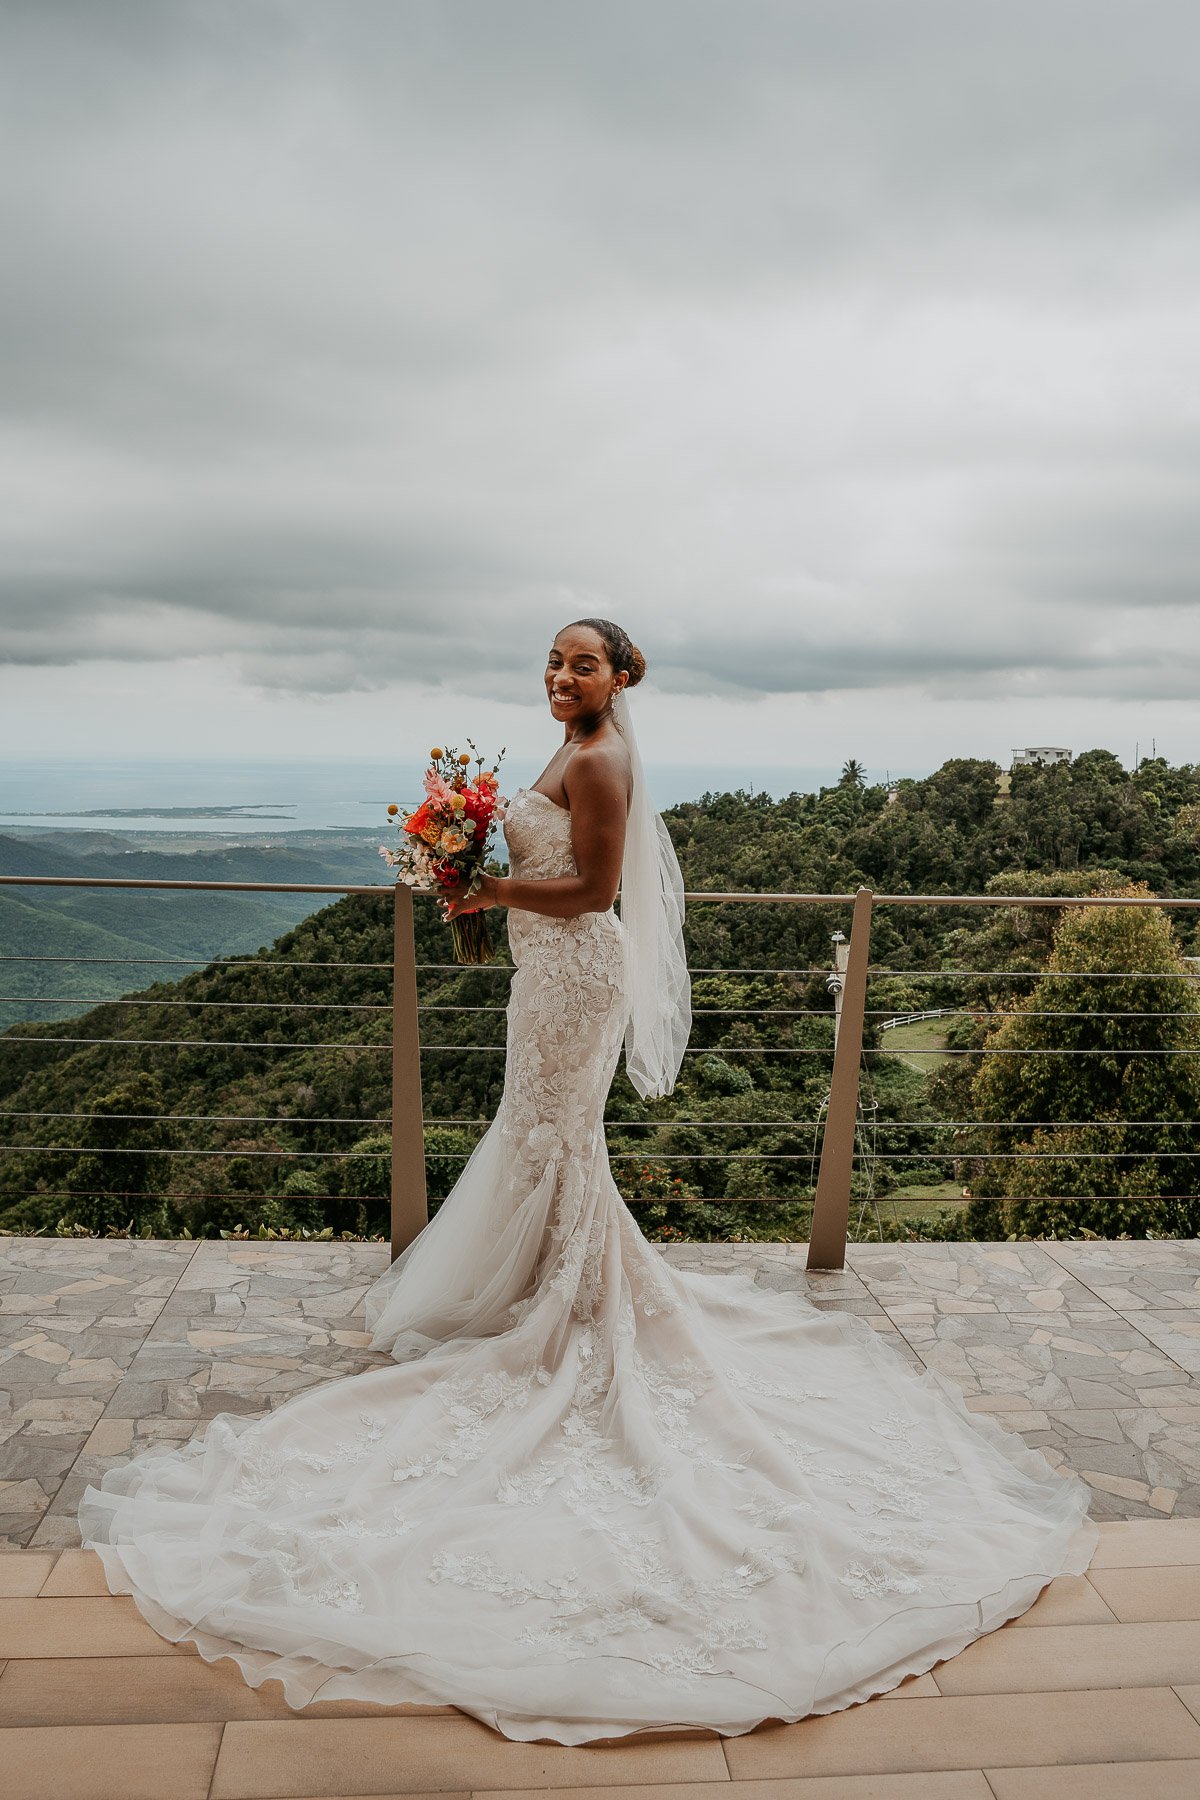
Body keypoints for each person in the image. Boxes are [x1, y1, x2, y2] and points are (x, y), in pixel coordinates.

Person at [80, 619, 1095, 1746]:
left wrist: (487, 896)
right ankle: (539, 1285)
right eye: (555, 661)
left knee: (550, 1137)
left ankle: (563, 1299)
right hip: (542, 980)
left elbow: (596, 890)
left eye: (583, 663)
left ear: (622, 679)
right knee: (539, 1139)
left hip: (573, 975)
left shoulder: (604, 760)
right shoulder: (577, 746)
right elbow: (552, 866)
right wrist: (480, 871)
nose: (563, 676)